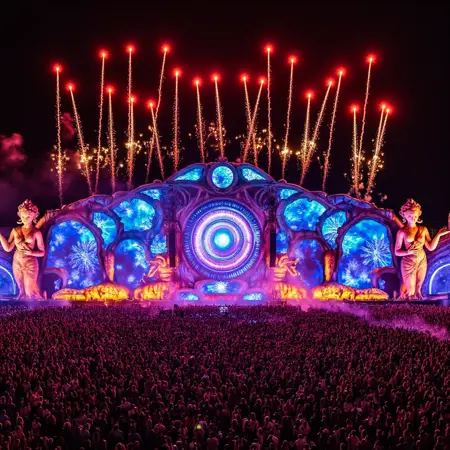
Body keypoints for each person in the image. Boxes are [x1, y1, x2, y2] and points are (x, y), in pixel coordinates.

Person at [395, 199, 449, 299]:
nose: (413, 218)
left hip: (422, 261)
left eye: (415, 216)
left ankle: (419, 307)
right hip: (408, 262)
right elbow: (397, 252)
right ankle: (404, 305)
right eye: (410, 216)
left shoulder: (423, 229)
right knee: (411, 290)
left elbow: (431, 247)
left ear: (419, 214)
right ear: (404, 215)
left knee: (418, 290)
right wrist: (408, 251)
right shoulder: (402, 232)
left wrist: (438, 235)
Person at [0, 199, 45, 299]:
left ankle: (38, 302)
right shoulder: (15, 230)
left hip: (30, 263)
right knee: (21, 291)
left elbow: (42, 252)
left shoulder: (36, 232)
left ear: (34, 216)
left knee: (29, 292)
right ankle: (21, 308)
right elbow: (8, 248)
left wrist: (31, 252)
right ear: (20, 216)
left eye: (28, 216)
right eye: (23, 216)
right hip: (17, 262)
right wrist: (0, 236)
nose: (25, 219)